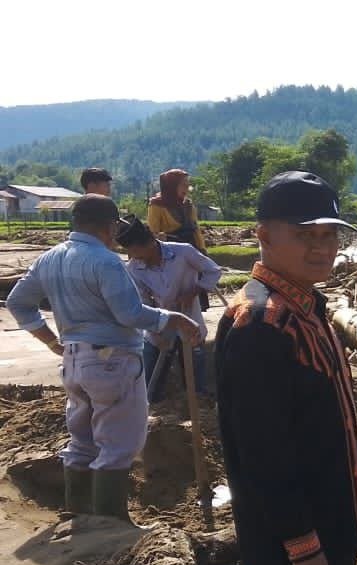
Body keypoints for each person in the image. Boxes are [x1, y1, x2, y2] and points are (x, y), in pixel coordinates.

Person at [215, 171, 357, 565]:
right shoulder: (262, 323)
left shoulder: (308, 308)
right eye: (306, 233)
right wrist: (302, 544)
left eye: (330, 234)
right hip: (298, 538)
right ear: (264, 235)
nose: (321, 246)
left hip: (327, 525)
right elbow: (262, 450)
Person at [6, 195, 199, 519]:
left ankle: (79, 516)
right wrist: (173, 318)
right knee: (119, 444)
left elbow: (17, 302)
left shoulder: (49, 258)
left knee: (82, 442)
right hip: (113, 362)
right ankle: (110, 526)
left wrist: (51, 341)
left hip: (73, 360)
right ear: (110, 226)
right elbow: (129, 314)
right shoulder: (105, 261)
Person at [117, 215, 222, 401]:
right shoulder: (133, 268)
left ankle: (197, 397)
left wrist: (194, 291)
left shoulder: (183, 252)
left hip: (189, 316)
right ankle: (152, 400)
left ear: (150, 243)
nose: (136, 257)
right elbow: (143, 301)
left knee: (194, 360)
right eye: (131, 253)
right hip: (161, 321)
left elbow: (213, 271)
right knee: (152, 365)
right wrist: (154, 329)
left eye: (138, 252)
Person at [147, 168, 205, 252]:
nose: (186, 188)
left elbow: (196, 231)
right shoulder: (157, 205)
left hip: (190, 249)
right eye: (183, 185)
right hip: (169, 252)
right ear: (172, 186)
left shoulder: (188, 205)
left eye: (187, 185)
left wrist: (202, 251)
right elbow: (153, 235)